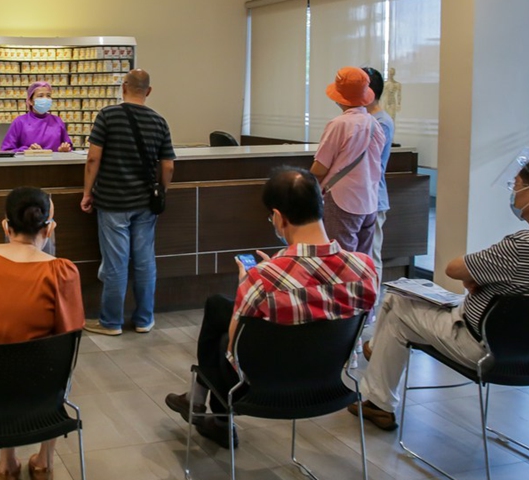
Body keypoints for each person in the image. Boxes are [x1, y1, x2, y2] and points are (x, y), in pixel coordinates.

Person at [351, 155, 529, 431]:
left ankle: (378, 401)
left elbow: (455, 268)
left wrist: (475, 279)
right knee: (410, 295)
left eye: (516, 186)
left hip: (484, 346)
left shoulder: (522, 245)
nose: (514, 194)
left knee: (398, 304)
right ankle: (377, 356)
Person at [164, 166, 378, 449]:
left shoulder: (263, 279)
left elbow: (232, 354)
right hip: (329, 382)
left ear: (278, 217)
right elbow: (317, 295)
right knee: (219, 305)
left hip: (265, 389)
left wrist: (247, 284)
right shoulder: (365, 268)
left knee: (220, 325)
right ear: (321, 205)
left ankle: (211, 412)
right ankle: (205, 410)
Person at [0, 186, 85, 479]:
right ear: (49, 229)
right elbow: (69, 340)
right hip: (36, 393)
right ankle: (44, 460)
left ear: (5, 226)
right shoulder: (62, 272)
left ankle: (6, 463)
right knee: (55, 364)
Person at [80, 69, 175, 336]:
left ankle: (111, 322)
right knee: (145, 261)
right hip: (145, 203)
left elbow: (92, 159)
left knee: (116, 264)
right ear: (149, 91)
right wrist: (161, 192)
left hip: (112, 202)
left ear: (124, 88)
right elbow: (167, 166)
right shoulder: (159, 121)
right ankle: (144, 319)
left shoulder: (107, 116)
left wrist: (88, 192)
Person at [310, 66, 386, 255]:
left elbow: (320, 167)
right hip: (369, 201)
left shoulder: (339, 124)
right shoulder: (375, 123)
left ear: (338, 96)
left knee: (340, 261)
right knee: (362, 262)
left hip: (342, 201)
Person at [363, 67, 395, 291]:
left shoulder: (380, 122)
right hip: (363, 196)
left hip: (373, 197)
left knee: (371, 255)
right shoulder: (365, 118)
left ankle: (370, 306)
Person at [1, 81, 72, 153]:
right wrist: (26, 151)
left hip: (54, 163)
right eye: (40, 96)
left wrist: (63, 149)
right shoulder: (20, 122)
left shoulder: (57, 121)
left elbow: (68, 145)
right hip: (29, 163)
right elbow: (6, 151)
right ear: (30, 101)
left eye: (48, 96)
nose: (45, 99)